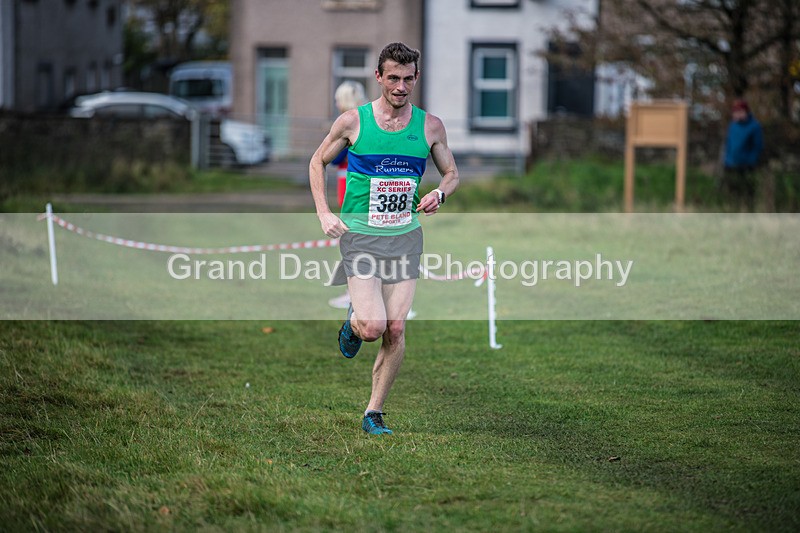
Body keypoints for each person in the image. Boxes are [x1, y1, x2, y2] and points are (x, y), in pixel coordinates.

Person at [309, 42, 459, 435]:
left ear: (416, 79)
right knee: (373, 326)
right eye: (392, 78)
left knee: (396, 328)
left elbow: (452, 174)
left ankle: (372, 413)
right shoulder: (353, 122)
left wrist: (439, 193)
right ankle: (354, 323)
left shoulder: (430, 126)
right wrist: (324, 212)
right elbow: (317, 161)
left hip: (405, 237)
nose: (400, 86)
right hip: (360, 236)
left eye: (408, 79)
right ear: (378, 77)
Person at [327, 80, 368, 310]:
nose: (335, 103)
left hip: (352, 186)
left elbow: (333, 158)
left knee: (354, 240)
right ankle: (351, 291)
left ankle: (356, 292)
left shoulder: (352, 123)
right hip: (348, 185)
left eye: (338, 98)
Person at [722, 98, 764, 209]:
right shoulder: (732, 126)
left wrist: (751, 161)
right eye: (735, 112)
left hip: (747, 166)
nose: (737, 114)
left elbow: (757, 146)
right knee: (732, 194)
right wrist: (726, 160)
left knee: (747, 193)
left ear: (746, 112)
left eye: (740, 112)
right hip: (730, 165)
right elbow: (728, 144)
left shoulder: (755, 126)